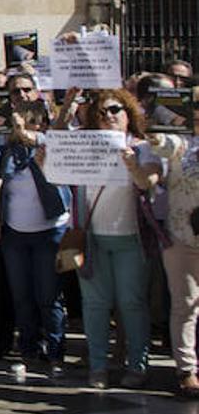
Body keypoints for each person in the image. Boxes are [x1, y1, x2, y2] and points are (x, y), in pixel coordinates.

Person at [66, 89, 161, 389]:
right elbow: (58, 174)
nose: (109, 116)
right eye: (102, 112)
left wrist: (133, 166)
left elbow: (149, 182)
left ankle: (137, 365)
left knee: (132, 303)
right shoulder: (85, 145)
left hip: (130, 238)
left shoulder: (143, 148)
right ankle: (98, 368)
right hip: (91, 239)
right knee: (94, 305)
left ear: (128, 113)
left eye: (115, 110)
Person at [0, 101, 69, 376]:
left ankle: (56, 351)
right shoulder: (7, 152)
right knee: (23, 297)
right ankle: (29, 350)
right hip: (15, 235)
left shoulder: (49, 147)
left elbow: (53, 143)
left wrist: (30, 135)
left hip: (48, 233)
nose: (24, 129)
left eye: (32, 122)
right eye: (21, 123)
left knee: (49, 297)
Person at [152, 112, 199, 396]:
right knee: (185, 303)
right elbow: (158, 142)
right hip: (181, 233)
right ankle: (187, 369)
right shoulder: (181, 143)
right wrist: (157, 125)